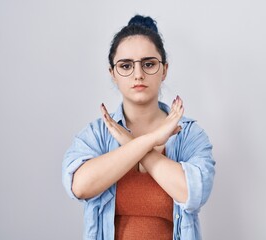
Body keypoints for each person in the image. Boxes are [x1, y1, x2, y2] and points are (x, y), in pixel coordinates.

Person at [62, 15, 216, 240]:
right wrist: (149, 141)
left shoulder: (189, 134)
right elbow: (80, 186)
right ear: (112, 74)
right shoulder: (98, 133)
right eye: (125, 65)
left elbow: (193, 193)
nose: (138, 74)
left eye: (149, 64)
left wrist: (132, 144)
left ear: (164, 70)